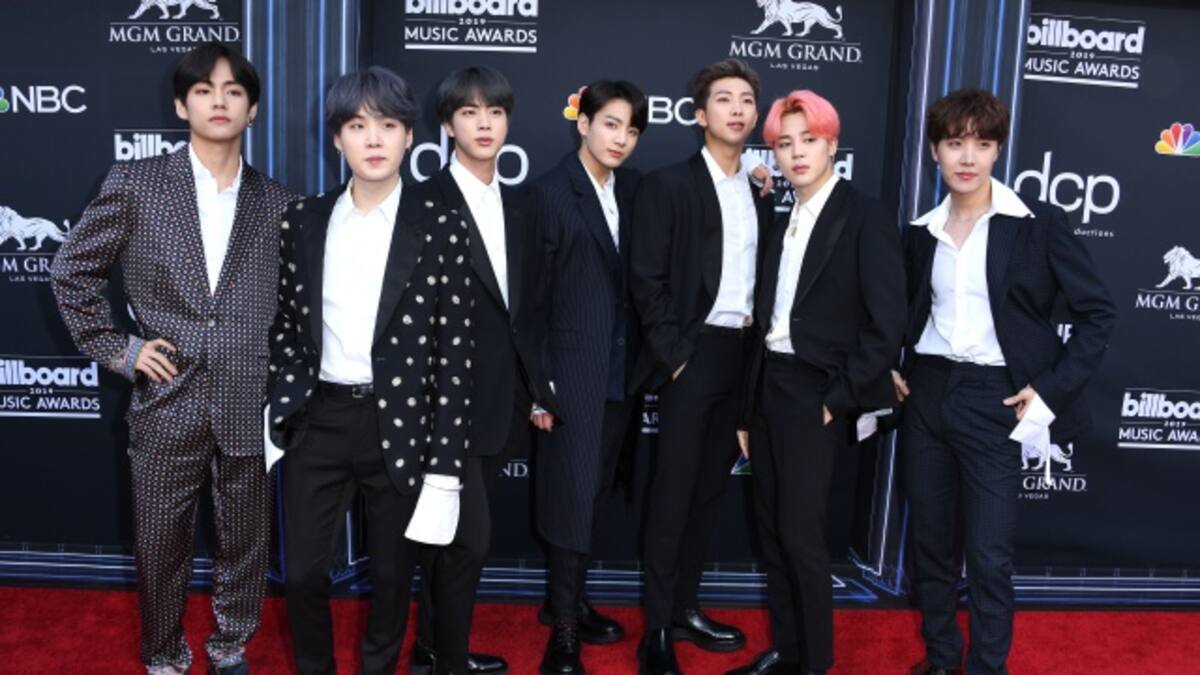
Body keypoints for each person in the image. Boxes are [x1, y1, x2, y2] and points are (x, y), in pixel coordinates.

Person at [49, 42, 295, 675]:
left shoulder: (279, 203)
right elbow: (72, 271)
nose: (220, 101)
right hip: (165, 399)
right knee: (161, 541)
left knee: (246, 539)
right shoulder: (137, 183)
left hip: (250, 398)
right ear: (182, 105)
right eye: (204, 90)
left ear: (253, 109)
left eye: (234, 91)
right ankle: (163, 653)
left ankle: (230, 646)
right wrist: (121, 348)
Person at [896, 88, 1115, 675]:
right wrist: (891, 364)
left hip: (996, 401)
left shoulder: (1036, 225)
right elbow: (904, 312)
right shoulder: (920, 231)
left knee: (988, 555)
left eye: (982, 143)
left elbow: (1098, 314)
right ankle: (942, 658)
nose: (968, 157)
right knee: (931, 547)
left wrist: (1049, 388)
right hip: (928, 392)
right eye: (954, 143)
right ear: (935, 151)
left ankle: (987, 668)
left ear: (998, 151)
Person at [265, 66, 472, 675]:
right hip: (319, 420)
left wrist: (445, 463)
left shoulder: (441, 223)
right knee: (303, 574)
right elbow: (286, 322)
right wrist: (282, 403)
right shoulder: (303, 219)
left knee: (390, 579)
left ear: (409, 135)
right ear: (337, 139)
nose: (374, 139)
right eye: (357, 126)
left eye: (387, 124)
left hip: (401, 425)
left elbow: (456, 351)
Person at [728, 89, 907, 675]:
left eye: (809, 140)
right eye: (785, 143)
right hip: (769, 388)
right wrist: (748, 409)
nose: (797, 153)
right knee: (771, 531)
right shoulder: (782, 219)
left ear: (832, 144)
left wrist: (838, 398)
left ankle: (816, 662)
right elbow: (767, 324)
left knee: (801, 535)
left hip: (816, 394)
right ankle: (787, 649)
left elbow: (887, 325)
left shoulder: (865, 216)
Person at [409, 65, 559, 675]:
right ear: (447, 125)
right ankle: (448, 660)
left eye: (494, 112)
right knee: (469, 541)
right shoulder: (420, 202)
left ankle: (429, 648)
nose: (484, 123)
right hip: (437, 405)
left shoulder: (523, 205)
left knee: (449, 538)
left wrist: (537, 391)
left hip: (502, 402)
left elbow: (528, 310)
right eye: (469, 112)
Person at [629, 57, 775, 675]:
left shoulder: (763, 189)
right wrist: (676, 358)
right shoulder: (668, 186)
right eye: (723, 99)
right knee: (672, 494)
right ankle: (657, 629)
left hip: (744, 358)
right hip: (692, 357)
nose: (737, 109)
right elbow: (646, 279)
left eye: (746, 100)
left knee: (710, 493)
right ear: (698, 114)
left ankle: (686, 606)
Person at [528, 79, 649, 674]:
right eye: (610, 124)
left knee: (594, 496)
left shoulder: (634, 190)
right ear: (583, 123)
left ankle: (568, 600)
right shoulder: (550, 194)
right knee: (571, 499)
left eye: (632, 130)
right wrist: (538, 389)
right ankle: (565, 634)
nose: (621, 138)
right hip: (569, 378)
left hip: (620, 375)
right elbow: (531, 303)